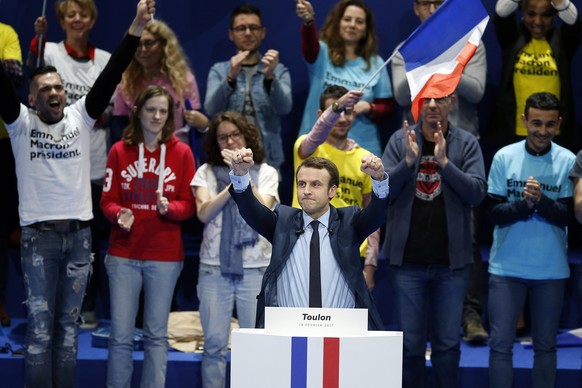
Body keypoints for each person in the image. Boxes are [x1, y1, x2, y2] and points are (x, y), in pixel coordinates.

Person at [0, 1, 155, 386]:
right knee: (39, 335)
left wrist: (136, 24)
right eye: (45, 89)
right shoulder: (20, 123)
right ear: (32, 98)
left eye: (58, 87)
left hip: (79, 240)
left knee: (67, 335)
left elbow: (115, 67)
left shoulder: (81, 115)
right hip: (39, 241)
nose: (54, 92)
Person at [391, 0, 489, 344]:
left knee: (467, 235)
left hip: (461, 145)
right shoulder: (406, 50)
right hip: (418, 144)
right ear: (416, 9)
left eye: (438, 2)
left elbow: (476, 90)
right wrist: (427, 59)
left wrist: (449, 63)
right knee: (419, 218)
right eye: (424, 3)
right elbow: (402, 92)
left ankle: (469, 313)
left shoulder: (470, 44)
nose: (431, 9)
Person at [381, 95, 487, 388]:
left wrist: (445, 163)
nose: (431, 105)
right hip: (408, 266)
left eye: (439, 99)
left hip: (451, 267)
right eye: (426, 99)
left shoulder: (466, 143)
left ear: (452, 102)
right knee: (410, 348)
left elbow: (477, 192)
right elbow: (383, 192)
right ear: (418, 104)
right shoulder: (400, 140)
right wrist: (407, 162)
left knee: (447, 347)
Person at [101, 85, 196, 387]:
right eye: (150, 109)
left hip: (165, 257)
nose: (156, 116)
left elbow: (189, 204)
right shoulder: (119, 150)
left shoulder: (182, 152)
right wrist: (118, 213)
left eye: (163, 111)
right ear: (138, 111)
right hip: (123, 255)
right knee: (121, 336)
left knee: (156, 335)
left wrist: (171, 208)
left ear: (170, 116)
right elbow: (107, 200)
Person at [228, 151, 389, 330]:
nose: (306, 191)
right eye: (302, 184)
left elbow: (377, 213)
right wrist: (241, 176)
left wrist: (379, 180)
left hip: (341, 331)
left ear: (332, 191)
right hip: (288, 330)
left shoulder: (349, 223)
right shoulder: (283, 222)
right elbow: (251, 211)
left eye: (315, 184)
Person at [27, 0, 113, 329]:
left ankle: (85, 306)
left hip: (93, 167)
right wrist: (37, 41)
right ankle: (48, 309)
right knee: (50, 245)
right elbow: (32, 90)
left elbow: (108, 111)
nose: (77, 19)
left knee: (87, 246)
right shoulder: (48, 51)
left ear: (92, 20)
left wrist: (88, 115)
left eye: (83, 14)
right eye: (70, 15)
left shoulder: (104, 60)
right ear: (61, 20)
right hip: (53, 166)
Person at [486, 92, 575, 388]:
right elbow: (492, 213)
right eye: (535, 122)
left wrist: (540, 201)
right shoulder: (504, 156)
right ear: (523, 120)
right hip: (506, 269)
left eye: (550, 124)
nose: (542, 131)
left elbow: (568, 216)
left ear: (559, 124)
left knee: (546, 347)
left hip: (550, 270)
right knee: (500, 347)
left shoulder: (568, 160)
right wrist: (526, 205)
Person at [191, 111, 279, 388]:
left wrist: (244, 177)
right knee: (214, 346)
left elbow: (262, 209)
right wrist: (234, 181)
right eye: (222, 137)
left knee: (254, 346)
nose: (230, 142)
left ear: (247, 137)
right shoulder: (204, 172)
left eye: (235, 135)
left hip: (255, 269)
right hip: (214, 268)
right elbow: (204, 213)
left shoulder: (266, 172)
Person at [293, 85, 379, 288]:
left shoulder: (365, 159)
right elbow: (316, 134)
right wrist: (339, 105)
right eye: (336, 112)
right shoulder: (307, 147)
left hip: (350, 256)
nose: (341, 118)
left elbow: (372, 216)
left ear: (355, 113)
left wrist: (370, 267)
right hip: (306, 251)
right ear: (321, 115)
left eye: (347, 111)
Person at [295, 0, 394, 157]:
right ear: (338, 23)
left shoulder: (376, 63)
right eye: (347, 19)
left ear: (366, 30)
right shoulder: (322, 54)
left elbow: (388, 109)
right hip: (319, 147)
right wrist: (308, 21)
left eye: (359, 21)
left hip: (362, 150)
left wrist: (368, 107)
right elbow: (309, 46)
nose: (352, 25)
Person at [204, 4, 292, 173]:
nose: (248, 33)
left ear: (263, 32)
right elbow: (211, 108)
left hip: (268, 159)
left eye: (253, 28)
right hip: (227, 158)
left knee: (266, 201)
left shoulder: (277, 69)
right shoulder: (219, 70)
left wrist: (270, 77)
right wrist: (230, 76)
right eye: (241, 28)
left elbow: (284, 107)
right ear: (231, 34)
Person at [491, 0, 582, 150]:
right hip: (514, 131)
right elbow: (501, 13)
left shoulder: (563, 40)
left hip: (554, 132)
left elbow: (574, 22)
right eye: (531, 14)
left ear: (555, 16)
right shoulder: (512, 36)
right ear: (522, 12)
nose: (538, 22)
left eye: (546, 15)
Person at [113, 19, 208, 145]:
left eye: (149, 43)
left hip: (177, 152)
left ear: (164, 45)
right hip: (140, 156)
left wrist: (204, 125)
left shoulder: (183, 80)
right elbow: (118, 131)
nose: (143, 50)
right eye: (137, 44)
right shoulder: (125, 84)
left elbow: (195, 128)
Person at [0, 21, 24, 328]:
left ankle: (1, 302)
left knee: (0, 229)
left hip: (2, 143)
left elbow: (15, 78)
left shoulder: (6, 33)